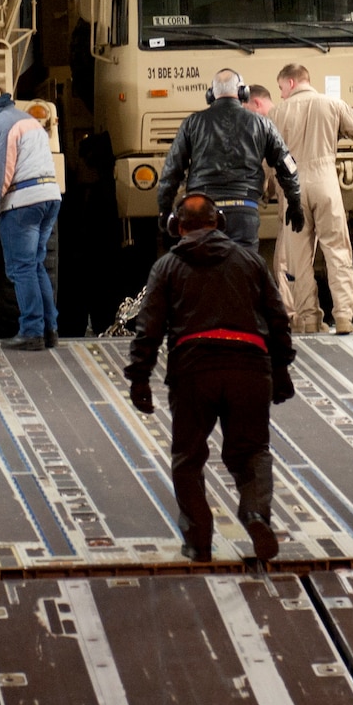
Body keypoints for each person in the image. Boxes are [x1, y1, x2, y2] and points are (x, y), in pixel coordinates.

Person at [125, 194, 295, 563]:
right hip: (250, 368)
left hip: (193, 369)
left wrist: (139, 378)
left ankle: (198, 542)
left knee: (188, 458)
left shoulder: (167, 267)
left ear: (178, 227)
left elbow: (148, 328)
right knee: (251, 452)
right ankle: (254, 514)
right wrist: (281, 369)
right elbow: (278, 318)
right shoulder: (250, 260)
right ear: (218, 222)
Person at [269, 63, 353, 334]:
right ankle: (344, 317)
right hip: (325, 180)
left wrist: (270, 189)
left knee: (298, 259)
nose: (280, 94)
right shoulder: (331, 104)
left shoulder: (276, 113)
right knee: (337, 249)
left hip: (291, 187)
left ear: (290, 83)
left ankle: (310, 320)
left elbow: (268, 160)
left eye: (280, 88)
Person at [157, 69, 304, 249]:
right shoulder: (262, 124)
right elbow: (287, 166)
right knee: (243, 268)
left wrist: (164, 211)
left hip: (203, 210)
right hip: (245, 209)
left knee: (203, 269)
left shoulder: (192, 123)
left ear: (211, 95)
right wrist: (295, 203)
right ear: (243, 93)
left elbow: (171, 170)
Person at [0, 82, 62, 352]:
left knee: (20, 268)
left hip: (23, 203)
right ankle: (49, 329)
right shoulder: (26, 119)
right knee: (36, 265)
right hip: (49, 196)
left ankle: (31, 331)